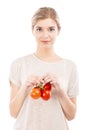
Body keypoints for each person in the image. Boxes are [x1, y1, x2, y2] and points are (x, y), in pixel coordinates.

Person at [9, 7, 79, 130]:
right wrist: (25, 86)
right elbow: (13, 113)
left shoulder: (69, 67)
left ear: (58, 31)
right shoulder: (19, 64)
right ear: (33, 31)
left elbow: (71, 115)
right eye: (39, 29)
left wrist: (60, 90)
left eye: (51, 29)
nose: (45, 35)